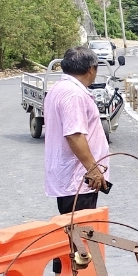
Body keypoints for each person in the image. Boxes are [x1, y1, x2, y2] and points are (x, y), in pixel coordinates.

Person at [44, 45, 109, 216]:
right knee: (82, 234)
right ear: (90, 69)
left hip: (72, 179)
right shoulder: (74, 94)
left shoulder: (59, 88)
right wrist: (93, 169)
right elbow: (74, 135)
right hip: (78, 180)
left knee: (75, 233)